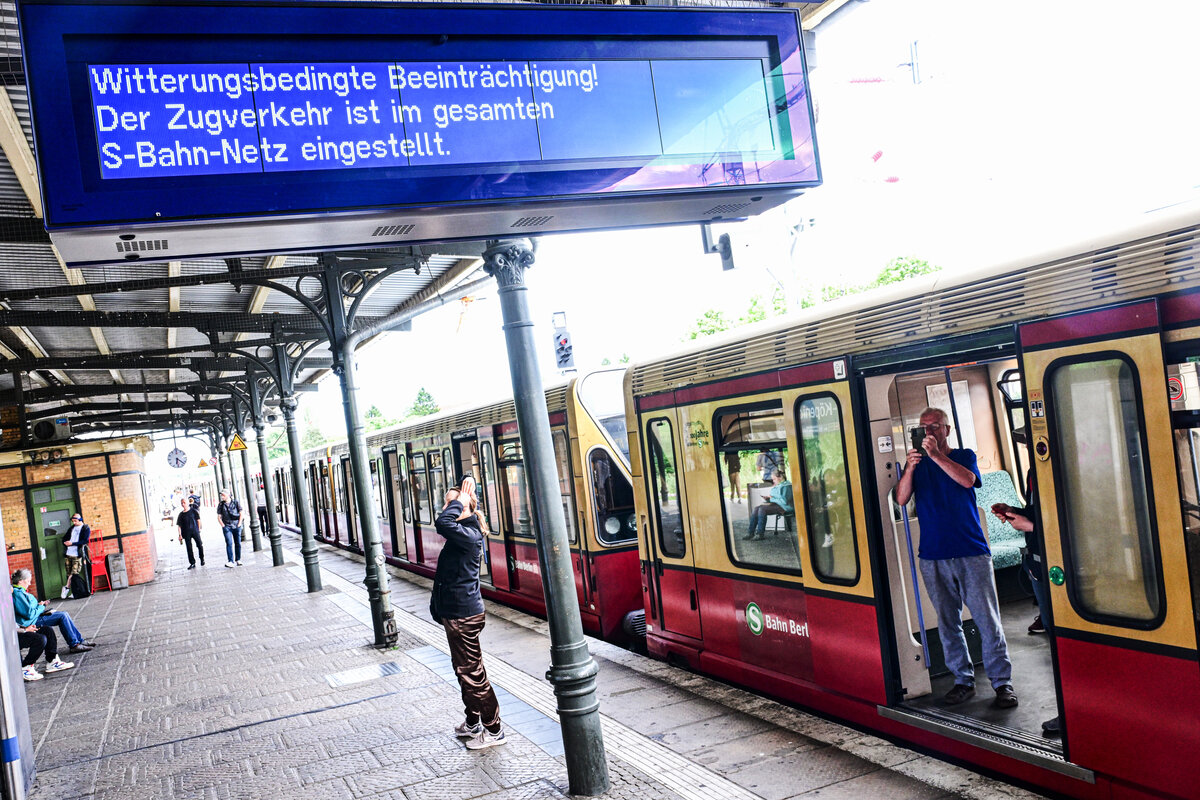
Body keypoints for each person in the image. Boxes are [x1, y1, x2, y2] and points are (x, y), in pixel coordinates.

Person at [897, 407, 1016, 709]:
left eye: (934, 426)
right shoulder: (917, 465)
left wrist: (936, 455)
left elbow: (967, 481)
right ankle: (962, 681)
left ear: (947, 430)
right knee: (948, 623)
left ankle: (1002, 683)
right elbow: (900, 498)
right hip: (933, 556)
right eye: (922, 427)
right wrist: (910, 468)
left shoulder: (963, 455)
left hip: (971, 552)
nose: (928, 432)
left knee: (987, 620)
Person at [432, 476, 505, 750]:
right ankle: (473, 722)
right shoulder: (462, 533)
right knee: (464, 671)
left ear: (466, 508)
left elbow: (443, 523)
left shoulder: (468, 535)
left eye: (452, 504)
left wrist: (459, 501)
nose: (446, 507)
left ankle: (494, 729)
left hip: (464, 617)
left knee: (472, 674)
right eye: (447, 503)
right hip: (456, 614)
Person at [992, 475, 1059, 735]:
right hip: (1039, 564)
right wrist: (1016, 513)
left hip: (1061, 561)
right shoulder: (1035, 469)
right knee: (1055, 641)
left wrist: (1032, 526)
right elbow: (1040, 510)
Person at [12, 569, 94, 654]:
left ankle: (79, 641)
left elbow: (28, 609)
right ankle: (74, 645)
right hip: (32, 621)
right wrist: (41, 606)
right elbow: (29, 614)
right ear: (21, 581)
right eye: (28, 581)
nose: (29, 584)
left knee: (64, 614)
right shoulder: (18, 594)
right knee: (62, 616)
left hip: (35, 617)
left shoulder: (20, 592)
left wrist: (39, 605)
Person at [745, 468, 793, 541]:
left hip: (785, 507)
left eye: (774, 479)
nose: (773, 481)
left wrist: (771, 499)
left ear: (780, 478)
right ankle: (750, 533)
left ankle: (760, 533)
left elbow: (784, 501)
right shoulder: (780, 485)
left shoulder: (786, 486)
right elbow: (777, 497)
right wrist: (769, 498)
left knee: (762, 509)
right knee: (757, 508)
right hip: (777, 505)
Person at [61, 512, 91, 595]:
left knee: (74, 572)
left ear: (80, 520)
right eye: (73, 521)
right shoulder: (71, 528)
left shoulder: (85, 528)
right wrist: (65, 543)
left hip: (77, 554)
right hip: (68, 553)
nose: (74, 523)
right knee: (69, 573)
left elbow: (85, 540)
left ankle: (67, 587)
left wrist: (73, 544)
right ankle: (74, 592)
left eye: (75, 521)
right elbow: (64, 538)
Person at [216, 489, 243, 568]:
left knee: (238, 543)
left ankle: (238, 559)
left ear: (228, 495)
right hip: (227, 526)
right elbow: (219, 516)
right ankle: (230, 561)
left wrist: (239, 523)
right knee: (229, 543)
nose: (222, 496)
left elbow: (241, 513)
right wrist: (223, 525)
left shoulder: (236, 502)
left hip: (236, 525)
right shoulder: (221, 505)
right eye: (221, 495)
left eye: (223, 495)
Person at [177, 497, 204, 569]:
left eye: (184, 503)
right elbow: (179, 526)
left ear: (188, 503)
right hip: (186, 533)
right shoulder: (181, 515)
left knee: (199, 545)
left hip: (195, 531)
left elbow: (198, 520)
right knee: (189, 548)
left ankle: (202, 558)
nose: (183, 504)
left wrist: (198, 529)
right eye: (182, 503)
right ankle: (192, 563)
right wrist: (180, 535)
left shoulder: (194, 511)